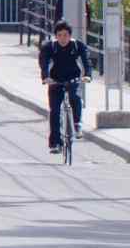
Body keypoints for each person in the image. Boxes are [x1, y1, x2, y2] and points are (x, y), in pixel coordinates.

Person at [39, 21, 92, 152]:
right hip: (55, 80)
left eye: (65, 35)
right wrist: (45, 77)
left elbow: (86, 61)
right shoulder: (50, 47)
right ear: (56, 36)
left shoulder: (76, 45)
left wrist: (88, 75)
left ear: (70, 35)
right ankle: (55, 143)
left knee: (75, 98)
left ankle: (77, 124)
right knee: (55, 111)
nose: (63, 38)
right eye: (59, 35)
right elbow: (43, 62)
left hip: (72, 78)